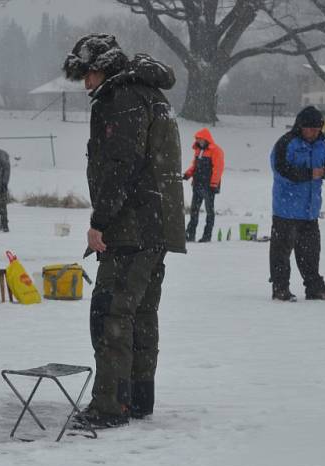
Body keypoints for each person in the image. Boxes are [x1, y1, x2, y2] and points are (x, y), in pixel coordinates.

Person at [62, 34, 186, 428]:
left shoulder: (120, 100)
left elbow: (122, 166)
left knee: (111, 312)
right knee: (141, 312)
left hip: (131, 226)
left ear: (106, 68)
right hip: (158, 225)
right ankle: (137, 397)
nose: (86, 84)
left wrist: (101, 221)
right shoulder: (151, 94)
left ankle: (111, 405)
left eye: (90, 73)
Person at [269, 106, 325, 302]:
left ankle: (315, 289)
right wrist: (310, 174)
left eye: (318, 129)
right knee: (281, 253)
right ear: (300, 127)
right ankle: (280, 289)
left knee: (311, 253)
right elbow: (281, 170)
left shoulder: (321, 145)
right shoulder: (286, 143)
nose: (315, 133)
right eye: (311, 129)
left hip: (310, 211)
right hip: (286, 210)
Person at [184, 128, 224, 242]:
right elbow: (195, 166)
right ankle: (190, 234)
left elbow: (218, 168)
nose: (199, 142)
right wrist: (188, 174)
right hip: (197, 184)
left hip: (209, 186)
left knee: (209, 212)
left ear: (207, 139)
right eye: (198, 140)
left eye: (201, 140)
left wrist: (214, 183)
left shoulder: (216, 151)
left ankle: (207, 236)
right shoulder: (198, 150)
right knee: (194, 211)